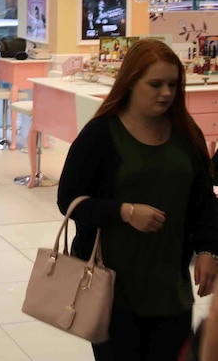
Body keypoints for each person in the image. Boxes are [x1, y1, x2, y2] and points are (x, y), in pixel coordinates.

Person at [57, 39, 218, 361]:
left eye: (173, 84)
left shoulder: (187, 135)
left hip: (170, 286)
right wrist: (124, 212)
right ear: (130, 83)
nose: (166, 93)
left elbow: (203, 201)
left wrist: (209, 249)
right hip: (111, 289)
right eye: (155, 84)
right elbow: (69, 200)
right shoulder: (101, 134)